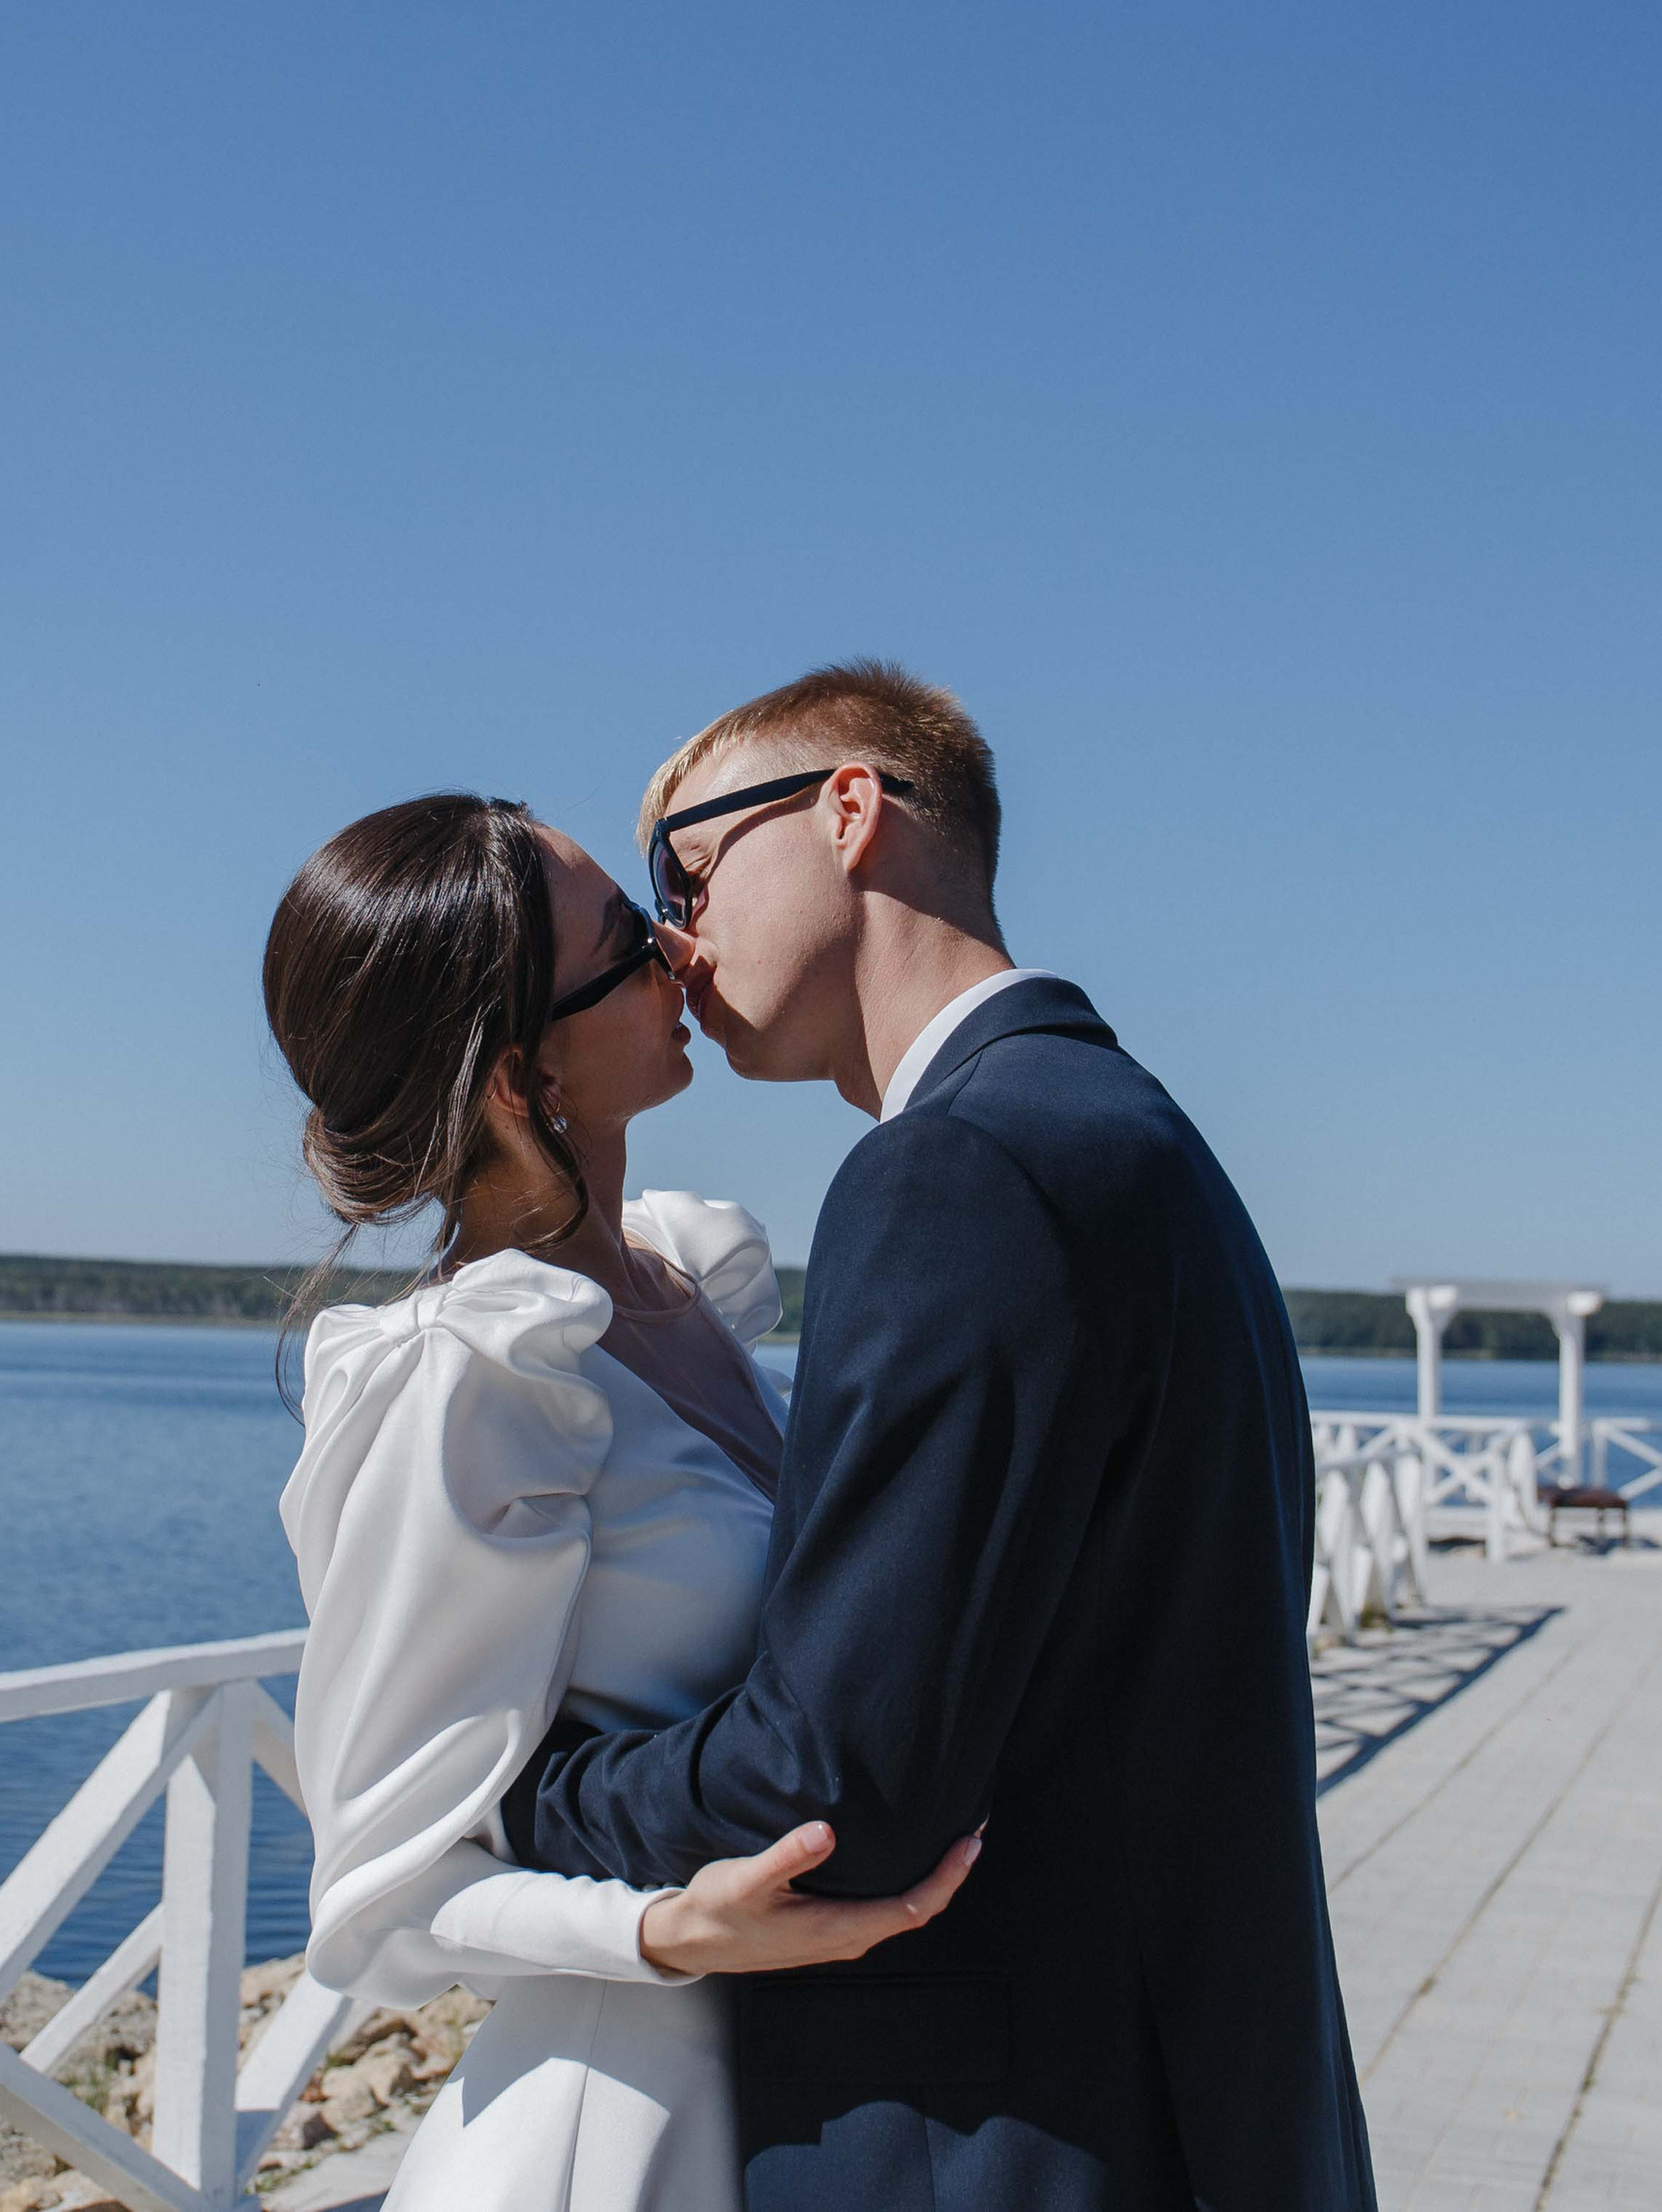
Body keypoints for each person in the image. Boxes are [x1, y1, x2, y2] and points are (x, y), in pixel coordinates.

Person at [501, 661, 1378, 2211]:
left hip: (993, 2140)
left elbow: (838, 1784)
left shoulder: (956, 1168)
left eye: (682, 875)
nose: (675, 942)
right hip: (1204, 2103)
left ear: (849, 811)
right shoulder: (1132, 1134)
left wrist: (527, 1789)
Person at [261, 792, 977, 2212]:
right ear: (521, 1076)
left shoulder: (681, 1285)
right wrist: (662, 1933)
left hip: (812, 2090)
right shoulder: (469, 1375)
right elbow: (378, 1892)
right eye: (628, 943)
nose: (681, 949)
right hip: (621, 2123)